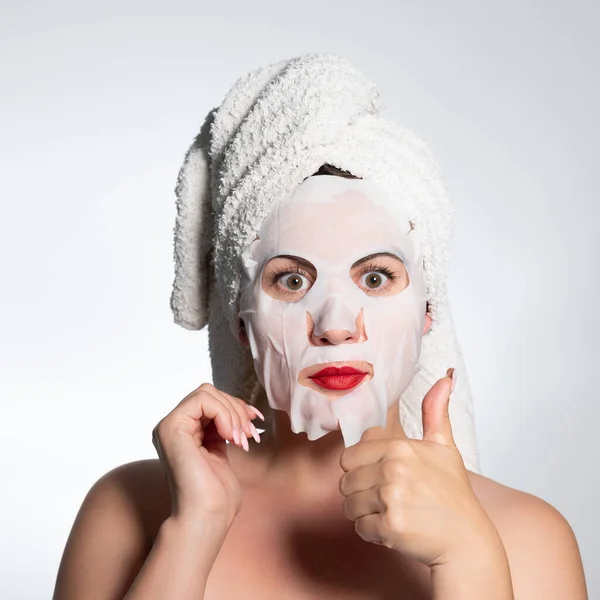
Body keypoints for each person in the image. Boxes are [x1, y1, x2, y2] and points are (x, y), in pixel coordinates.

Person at [52, 54, 588, 600]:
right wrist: (192, 532)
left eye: (376, 278)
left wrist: (469, 559)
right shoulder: (130, 507)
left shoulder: (525, 536)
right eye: (290, 281)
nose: (335, 327)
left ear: (428, 313)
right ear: (242, 323)